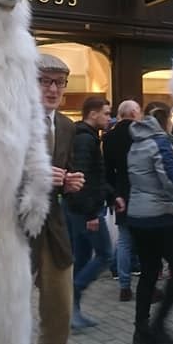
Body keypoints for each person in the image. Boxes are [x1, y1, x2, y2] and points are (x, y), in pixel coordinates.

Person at [33, 54, 86, 344]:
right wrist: (35, 177)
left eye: (59, 82)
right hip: (12, 234)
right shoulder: (7, 122)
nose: (53, 89)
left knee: (60, 314)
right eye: (44, 81)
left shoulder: (67, 127)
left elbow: (61, 188)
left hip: (53, 233)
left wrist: (70, 185)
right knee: (12, 321)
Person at [127, 105, 173, 344]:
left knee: (148, 271)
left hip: (137, 216)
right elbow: (170, 180)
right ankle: (159, 325)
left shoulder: (136, 140)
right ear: (166, 120)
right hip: (160, 215)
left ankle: (141, 330)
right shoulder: (159, 143)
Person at [65, 95, 113, 330]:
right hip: (85, 210)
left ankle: (72, 311)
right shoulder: (86, 140)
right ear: (92, 114)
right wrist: (92, 213)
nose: (109, 117)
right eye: (105, 113)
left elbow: (94, 176)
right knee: (105, 253)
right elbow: (82, 179)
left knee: (81, 257)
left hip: (77, 209)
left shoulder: (86, 137)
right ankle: (74, 292)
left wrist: (113, 195)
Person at [103, 99, 142, 302]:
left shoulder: (109, 138)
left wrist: (113, 194)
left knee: (125, 240)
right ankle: (148, 284)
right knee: (145, 238)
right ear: (134, 113)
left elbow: (108, 170)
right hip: (141, 190)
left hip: (121, 191)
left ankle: (124, 286)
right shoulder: (140, 133)